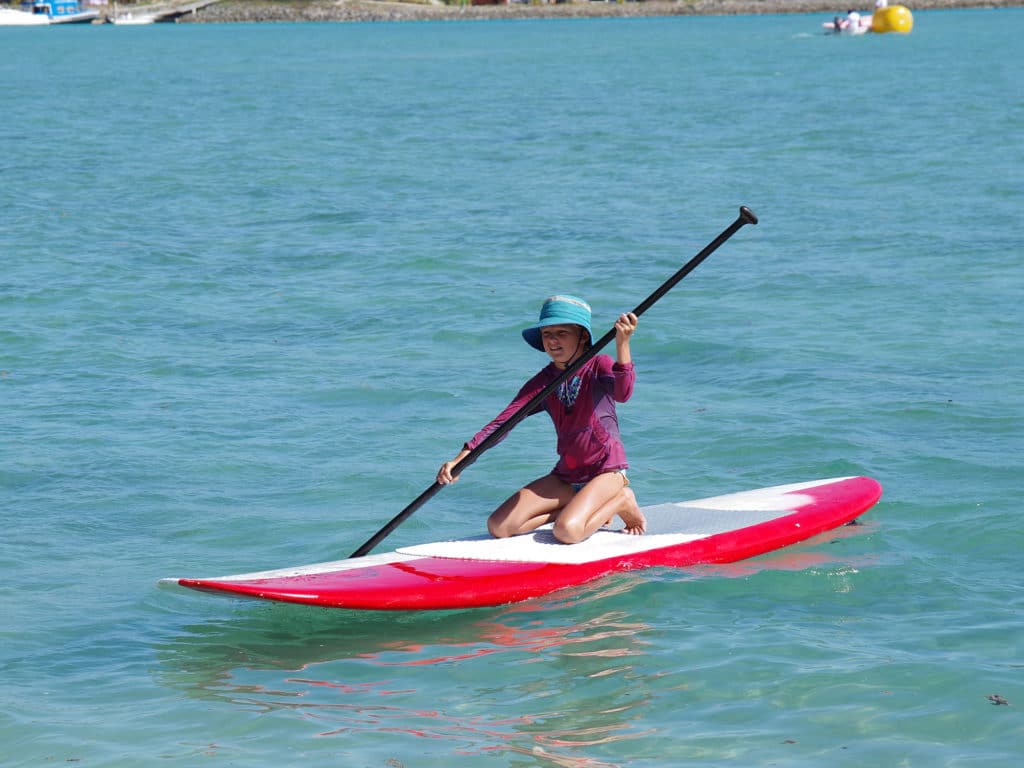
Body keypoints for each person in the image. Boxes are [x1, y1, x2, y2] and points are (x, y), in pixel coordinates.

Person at [437, 295, 647, 544]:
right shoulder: (544, 381)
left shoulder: (598, 364)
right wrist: (461, 459)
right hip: (567, 476)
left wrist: (623, 344)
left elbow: (623, 394)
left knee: (567, 532)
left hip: (606, 470)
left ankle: (621, 500)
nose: (552, 340)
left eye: (562, 332)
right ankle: (583, 507)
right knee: (499, 526)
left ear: (582, 336)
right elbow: (502, 423)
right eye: (547, 333)